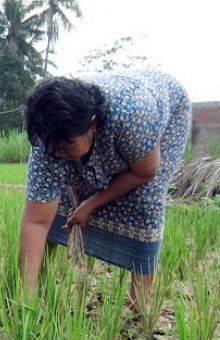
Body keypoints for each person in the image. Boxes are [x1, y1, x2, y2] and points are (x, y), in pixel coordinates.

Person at [19, 70, 191, 305]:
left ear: (93, 123)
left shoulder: (133, 114)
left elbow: (145, 172)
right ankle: (36, 285)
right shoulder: (46, 140)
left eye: (66, 145)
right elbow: (36, 221)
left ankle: (139, 302)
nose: (58, 152)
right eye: (52, 147)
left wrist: (91, 204)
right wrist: (24, 300)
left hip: (163, 113)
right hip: (115, 125)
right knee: (65, 192)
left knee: (145, 200)